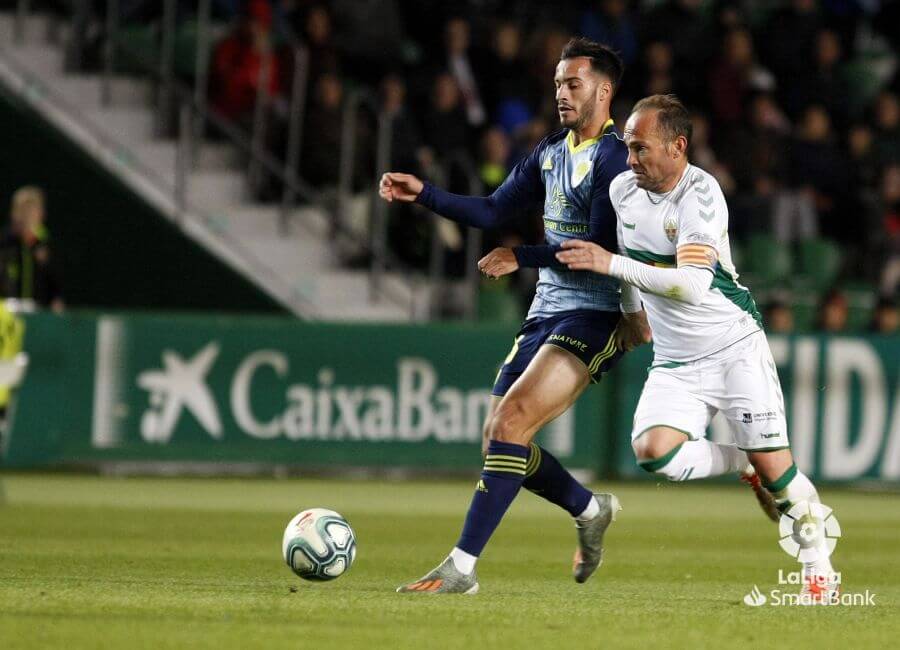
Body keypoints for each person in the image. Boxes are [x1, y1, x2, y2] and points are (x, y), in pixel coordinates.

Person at [379, 38, 645, 594]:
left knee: (511, 424)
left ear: (603, 89)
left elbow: (596, 243)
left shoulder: (618, 158)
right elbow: (494, 208)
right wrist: (424, 193)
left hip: (596, 313)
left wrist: (517, 255)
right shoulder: (551, 150)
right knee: (499, 440)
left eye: (572, 84)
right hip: (546, 307)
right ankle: (588, 507)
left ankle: (461, 569)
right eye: (556, 84)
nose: (561, 94)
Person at [556, 94, 841, 604]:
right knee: (652, 452)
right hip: (676, 358)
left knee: (782, 475)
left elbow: (690, 285)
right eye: (627, 147)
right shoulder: (624, 190)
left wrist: (611, 267)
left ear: (678, 146)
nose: (631, 159)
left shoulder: (702, 195)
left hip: (733, 347)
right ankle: (742, 462)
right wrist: (629, 311)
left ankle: (820, 578)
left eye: (641, 149)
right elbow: (623, 255)